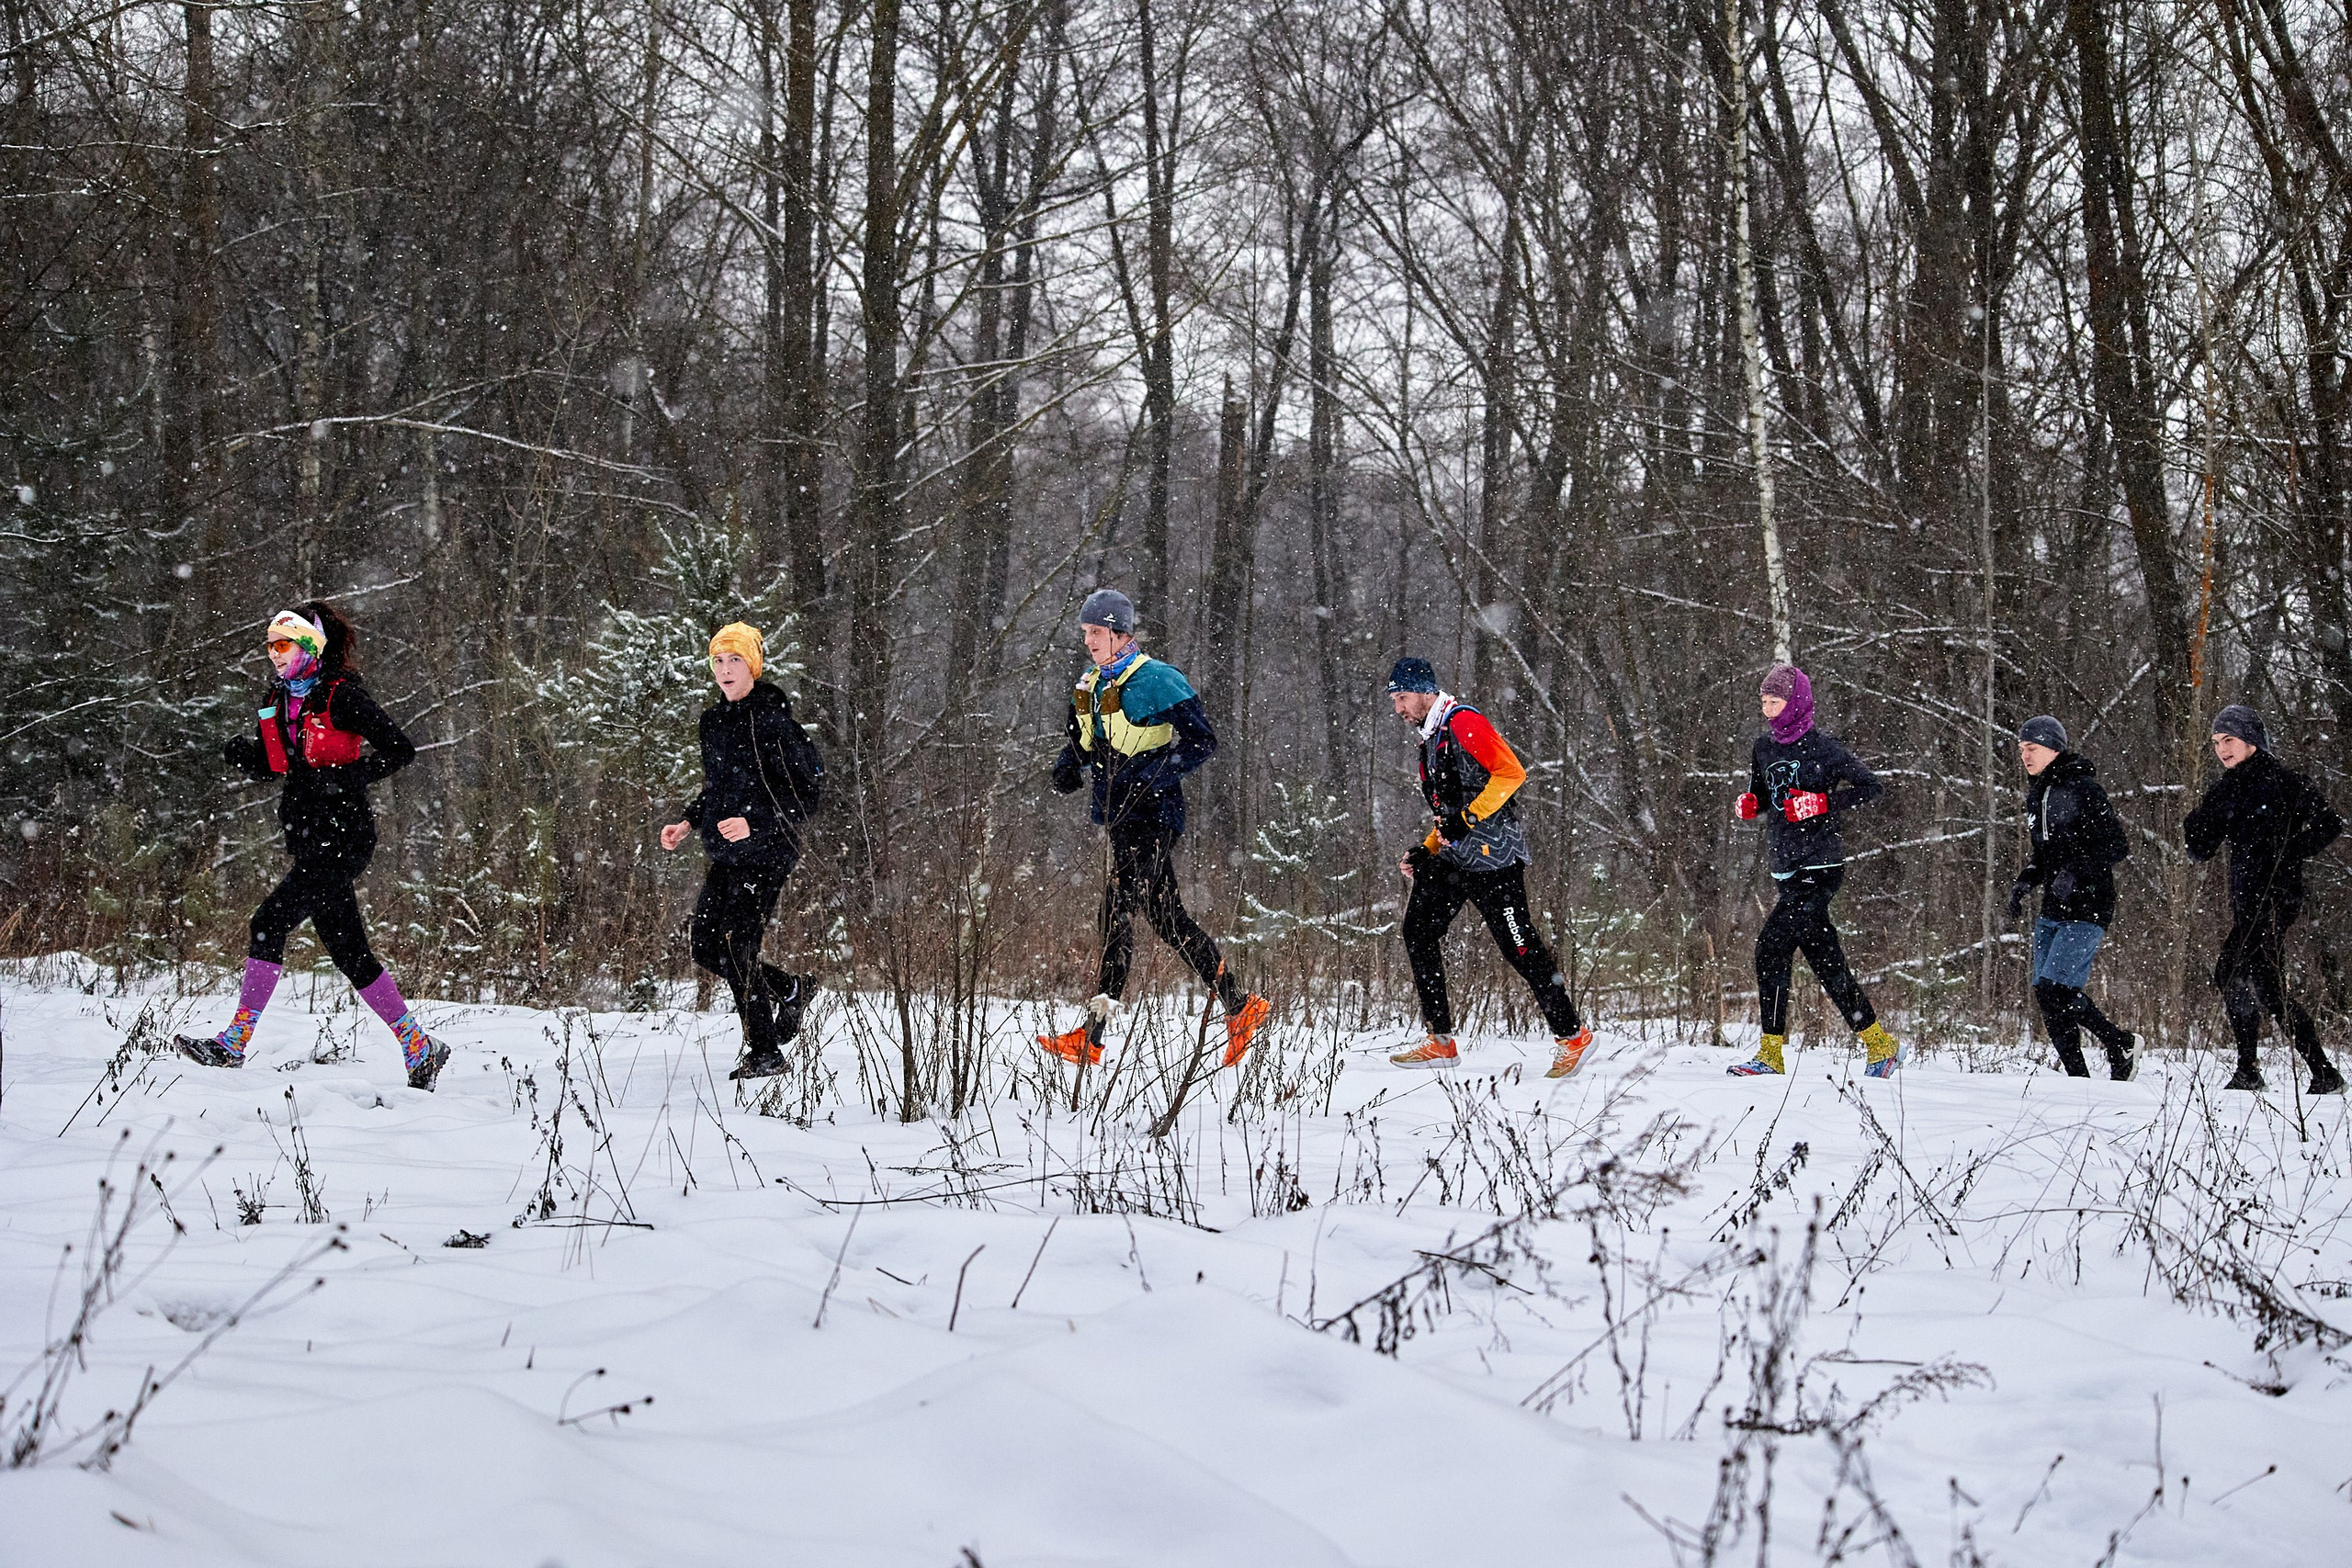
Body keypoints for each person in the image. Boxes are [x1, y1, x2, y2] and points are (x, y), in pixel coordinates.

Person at [175, 604, 445, 1089]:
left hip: (344, 838)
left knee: (268, 922)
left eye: (283, 645)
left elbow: (400, 750)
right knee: (349, 951)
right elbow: (277, 764)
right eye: (270, 646)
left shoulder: (342, 698)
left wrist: (343, 779)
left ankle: (234, 1043)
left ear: (309, 648)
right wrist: (243, 755)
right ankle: (418, 1046)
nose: (274, 655)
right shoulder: (277, 700)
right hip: (307, 839)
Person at [1040, 589, 1269, 1067]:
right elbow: (1084, 744)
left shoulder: (1159, 679)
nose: (1090, 642)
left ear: (1123, 634)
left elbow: (1203, 742)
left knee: (1117, 912)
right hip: (1118, 817)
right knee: (1167, 919)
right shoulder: (1088, 684)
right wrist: (1067, 767)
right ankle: (1240, 1004)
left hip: (1155, 815)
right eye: (1085, 634)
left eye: (1097, 633)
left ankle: (1093, 1036)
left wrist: (1154, 773)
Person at [1383, 658, 1597, 1077]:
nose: (1399, 709)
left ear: (1426, 691)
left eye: (1403, 698)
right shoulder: (1430, 735)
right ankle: (1440, 1041)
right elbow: (1449, 808)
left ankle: (1572, 1036)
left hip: (1494, 859)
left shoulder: (1463, 721)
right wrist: (1426, 849)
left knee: (1519, 948)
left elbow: (1511, 773)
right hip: (1454, 858)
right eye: (1394, 700)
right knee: (1418, 930)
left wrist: (1468, 820)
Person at [660, 623, 823, 1081]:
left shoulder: (774, 722)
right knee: (706, 945)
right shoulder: (712, 722)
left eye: (734, 660)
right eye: (718, 660)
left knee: (737, 945)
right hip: (726, 851)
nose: (725, 669)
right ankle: (791, 989)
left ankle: (765, 1051)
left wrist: (756, 821)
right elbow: (717, 788)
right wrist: (688, 821)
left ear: (752, 665)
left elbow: (808, 794)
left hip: (768, 851)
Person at [1727, 665, 1904, 1077]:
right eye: (1764, 700)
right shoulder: (1763, 747)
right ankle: (1880, 1044)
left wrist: (1822, 802)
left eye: (1775, 700)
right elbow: (1762, 794)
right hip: (1784, 869)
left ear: (1796, 703)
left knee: (1770, 948)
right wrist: (1751, 805)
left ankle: (1770, 1055)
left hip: (1821, 866)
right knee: (1826, 962)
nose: (1767, 707)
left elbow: (1870, 787)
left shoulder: (1826, 748)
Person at [2182, 704, 2345, 1095]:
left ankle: (2250, 1069)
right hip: (2245, 900)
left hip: (2276, 898)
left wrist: (2290, 850)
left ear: (2252, 741)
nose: (2222, 749)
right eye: (2217, 742)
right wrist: (2195, 826)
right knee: (2266, 986)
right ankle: (2321, 1072)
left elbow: (2329, 823)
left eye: (2230, 740)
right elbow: (2200, 849)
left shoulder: (2284, 781)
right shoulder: (2226, 788)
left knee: (2232, 971)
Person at [2006, 715, 2138, 1080]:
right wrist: (2026, 881)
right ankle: (2078, 1080)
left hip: (2089, 904)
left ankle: (2119, 1042)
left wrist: (2075, 871)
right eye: (2021, 750)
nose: (2025, 756)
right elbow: (2045, 855)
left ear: (2054, 748)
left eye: (2031, 749)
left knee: (2055, 989)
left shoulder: (2084, 788)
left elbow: (2116, 845)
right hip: (2053, 906)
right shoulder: (2038, 794)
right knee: (2046, 995)